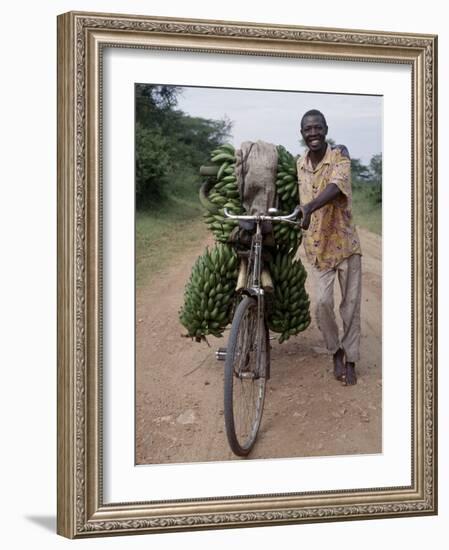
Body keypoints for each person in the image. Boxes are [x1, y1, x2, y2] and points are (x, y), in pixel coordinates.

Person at [297, 109, 362, 386]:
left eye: (317, 128)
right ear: (302, 134)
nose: (313, 133)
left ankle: (351, 359)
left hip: (346, 245)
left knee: (350, 307)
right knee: (323, 303)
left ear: (326, 129)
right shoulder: (299, 165)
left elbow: (336, 186)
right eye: (308, 129)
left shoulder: (340, 156)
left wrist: (310, 206)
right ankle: (335, 348)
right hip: (318, 248)